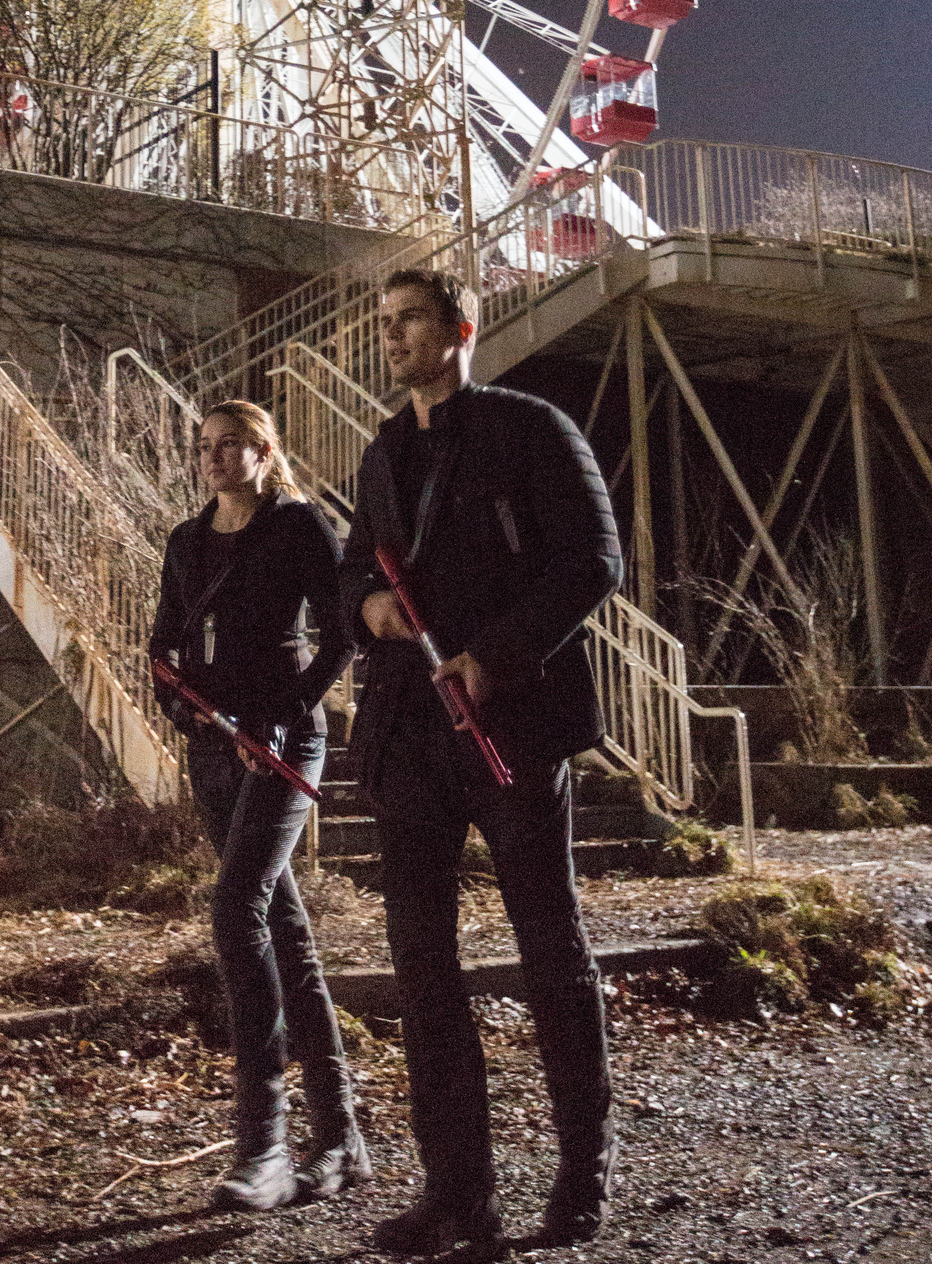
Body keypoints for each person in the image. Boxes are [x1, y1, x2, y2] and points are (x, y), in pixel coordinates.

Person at [339, 267, 625, 1258]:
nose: (393, 336)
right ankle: (457, 1191)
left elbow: (592, 559)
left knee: (552, 951)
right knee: (423, 969)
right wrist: (365, 610)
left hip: (514, 730)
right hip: (411, 741)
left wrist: (495, 657)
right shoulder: (382, 451)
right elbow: (354, 566)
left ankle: (583, 1175)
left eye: (410, 318)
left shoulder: (531, 428)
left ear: (462, 327)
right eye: (384, 324)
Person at [149, 398, 370, 1212]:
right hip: (213, 745)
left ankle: (264, 1147)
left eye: (232, 445)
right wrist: (187, 710)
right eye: (205, 446)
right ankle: (341, 1139)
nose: (215, 457)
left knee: (236, 908)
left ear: (265, 452)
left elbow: (345, 633)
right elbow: (162, 644)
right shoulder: (185, 539)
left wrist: (285, 713)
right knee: (284, 932)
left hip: (283, 740)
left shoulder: (300, 527)